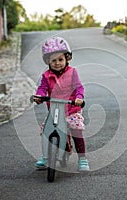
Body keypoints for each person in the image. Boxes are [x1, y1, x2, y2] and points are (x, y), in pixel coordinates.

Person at [33, 37, 90, 172]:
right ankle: (46, 156)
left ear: (67, 58)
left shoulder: (72, 73)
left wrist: (79, 98)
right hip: (55, 110)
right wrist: (39, 96)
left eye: (60, 59)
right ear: (48, 61)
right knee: (46, 131)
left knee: (76, 130)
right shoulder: (46, 76)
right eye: (53, 60)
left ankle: (82, 158)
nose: (57, 63)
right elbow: (42, 88)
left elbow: (79, 87)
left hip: (71, 109)